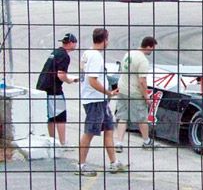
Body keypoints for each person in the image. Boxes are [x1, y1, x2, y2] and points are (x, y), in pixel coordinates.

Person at [76, 28, 126, 177]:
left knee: (109, 129)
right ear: (105, 40)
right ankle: (81, 165)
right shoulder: (96, 57)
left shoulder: (87, 53)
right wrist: (108, 92)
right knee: (89, 132)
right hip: (95, 100)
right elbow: (92, 80)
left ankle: (114, 162)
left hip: (100, 100)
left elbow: (82, 68)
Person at [115, 36, 158, 153]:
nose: (152, 51)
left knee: (123, 117)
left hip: (122, 88)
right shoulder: (143, 60)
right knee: (142, 118)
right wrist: (146, 96)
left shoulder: (128, 53)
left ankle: (119, 143)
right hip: (134, 92)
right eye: (152, 49)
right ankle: (146, 141)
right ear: (148, 46)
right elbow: (142, 81)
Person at [36, 33, 78, 150]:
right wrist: (69, 80)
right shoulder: (64, 56)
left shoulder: (55, 52)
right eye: (75, 43)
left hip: (43, 86)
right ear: (71, 43)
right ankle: (63, 143)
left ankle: (52, 141)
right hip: (54, 89)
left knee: (51, 115)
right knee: (60, 115)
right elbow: (61, 74)